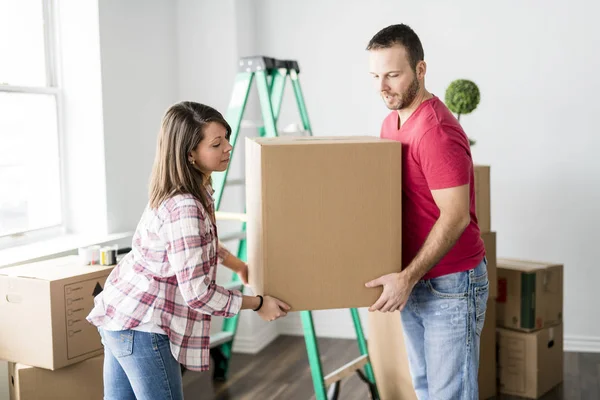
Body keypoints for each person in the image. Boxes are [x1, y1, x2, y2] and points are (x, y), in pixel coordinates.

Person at [87, 101, 290, 400]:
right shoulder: (184, 206)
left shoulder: (187, 190)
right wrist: (258, 304)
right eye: (217, 143)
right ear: (190, 154)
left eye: (227, 138)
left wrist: (236, 264)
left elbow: (193, 244)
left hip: (121, 315)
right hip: (143, 326)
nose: (228, 148)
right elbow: (198, 294)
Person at [364, 24, 489, 399]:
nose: (382, 87)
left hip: (450, 283)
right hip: (415, 278)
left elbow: (455, 216)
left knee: (451, 394)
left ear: (420, 70)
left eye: (393, 74)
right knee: (425, 389)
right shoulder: (392, 123)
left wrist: (408, 276)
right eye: (375, 76)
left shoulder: (436, 132)